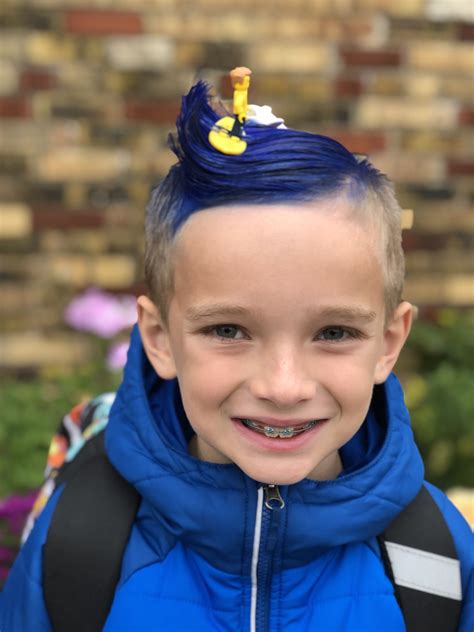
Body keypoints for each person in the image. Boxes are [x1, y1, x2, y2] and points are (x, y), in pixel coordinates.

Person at [1, 74, 473, 632]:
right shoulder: (81, 543)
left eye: (334, 333)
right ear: (158, 338)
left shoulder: (435, 556)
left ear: (388, 343)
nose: (283, 385)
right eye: (228, 331)